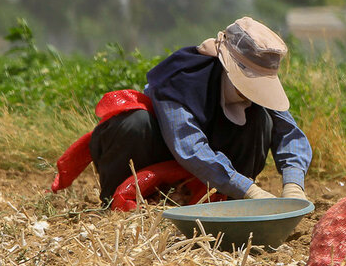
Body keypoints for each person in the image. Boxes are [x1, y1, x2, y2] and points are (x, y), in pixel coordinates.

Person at [88, 17, 312, 206]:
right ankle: (119, 202)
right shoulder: (181, 78)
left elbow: (289, 132)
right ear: (228, 67)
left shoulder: (257, 97)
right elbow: (189, 146)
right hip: (165, 152)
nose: (254, 91)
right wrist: (249, 189)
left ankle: (231, 201)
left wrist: (293, 185)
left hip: (214, 170)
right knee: (135, 123)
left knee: (263, 120)